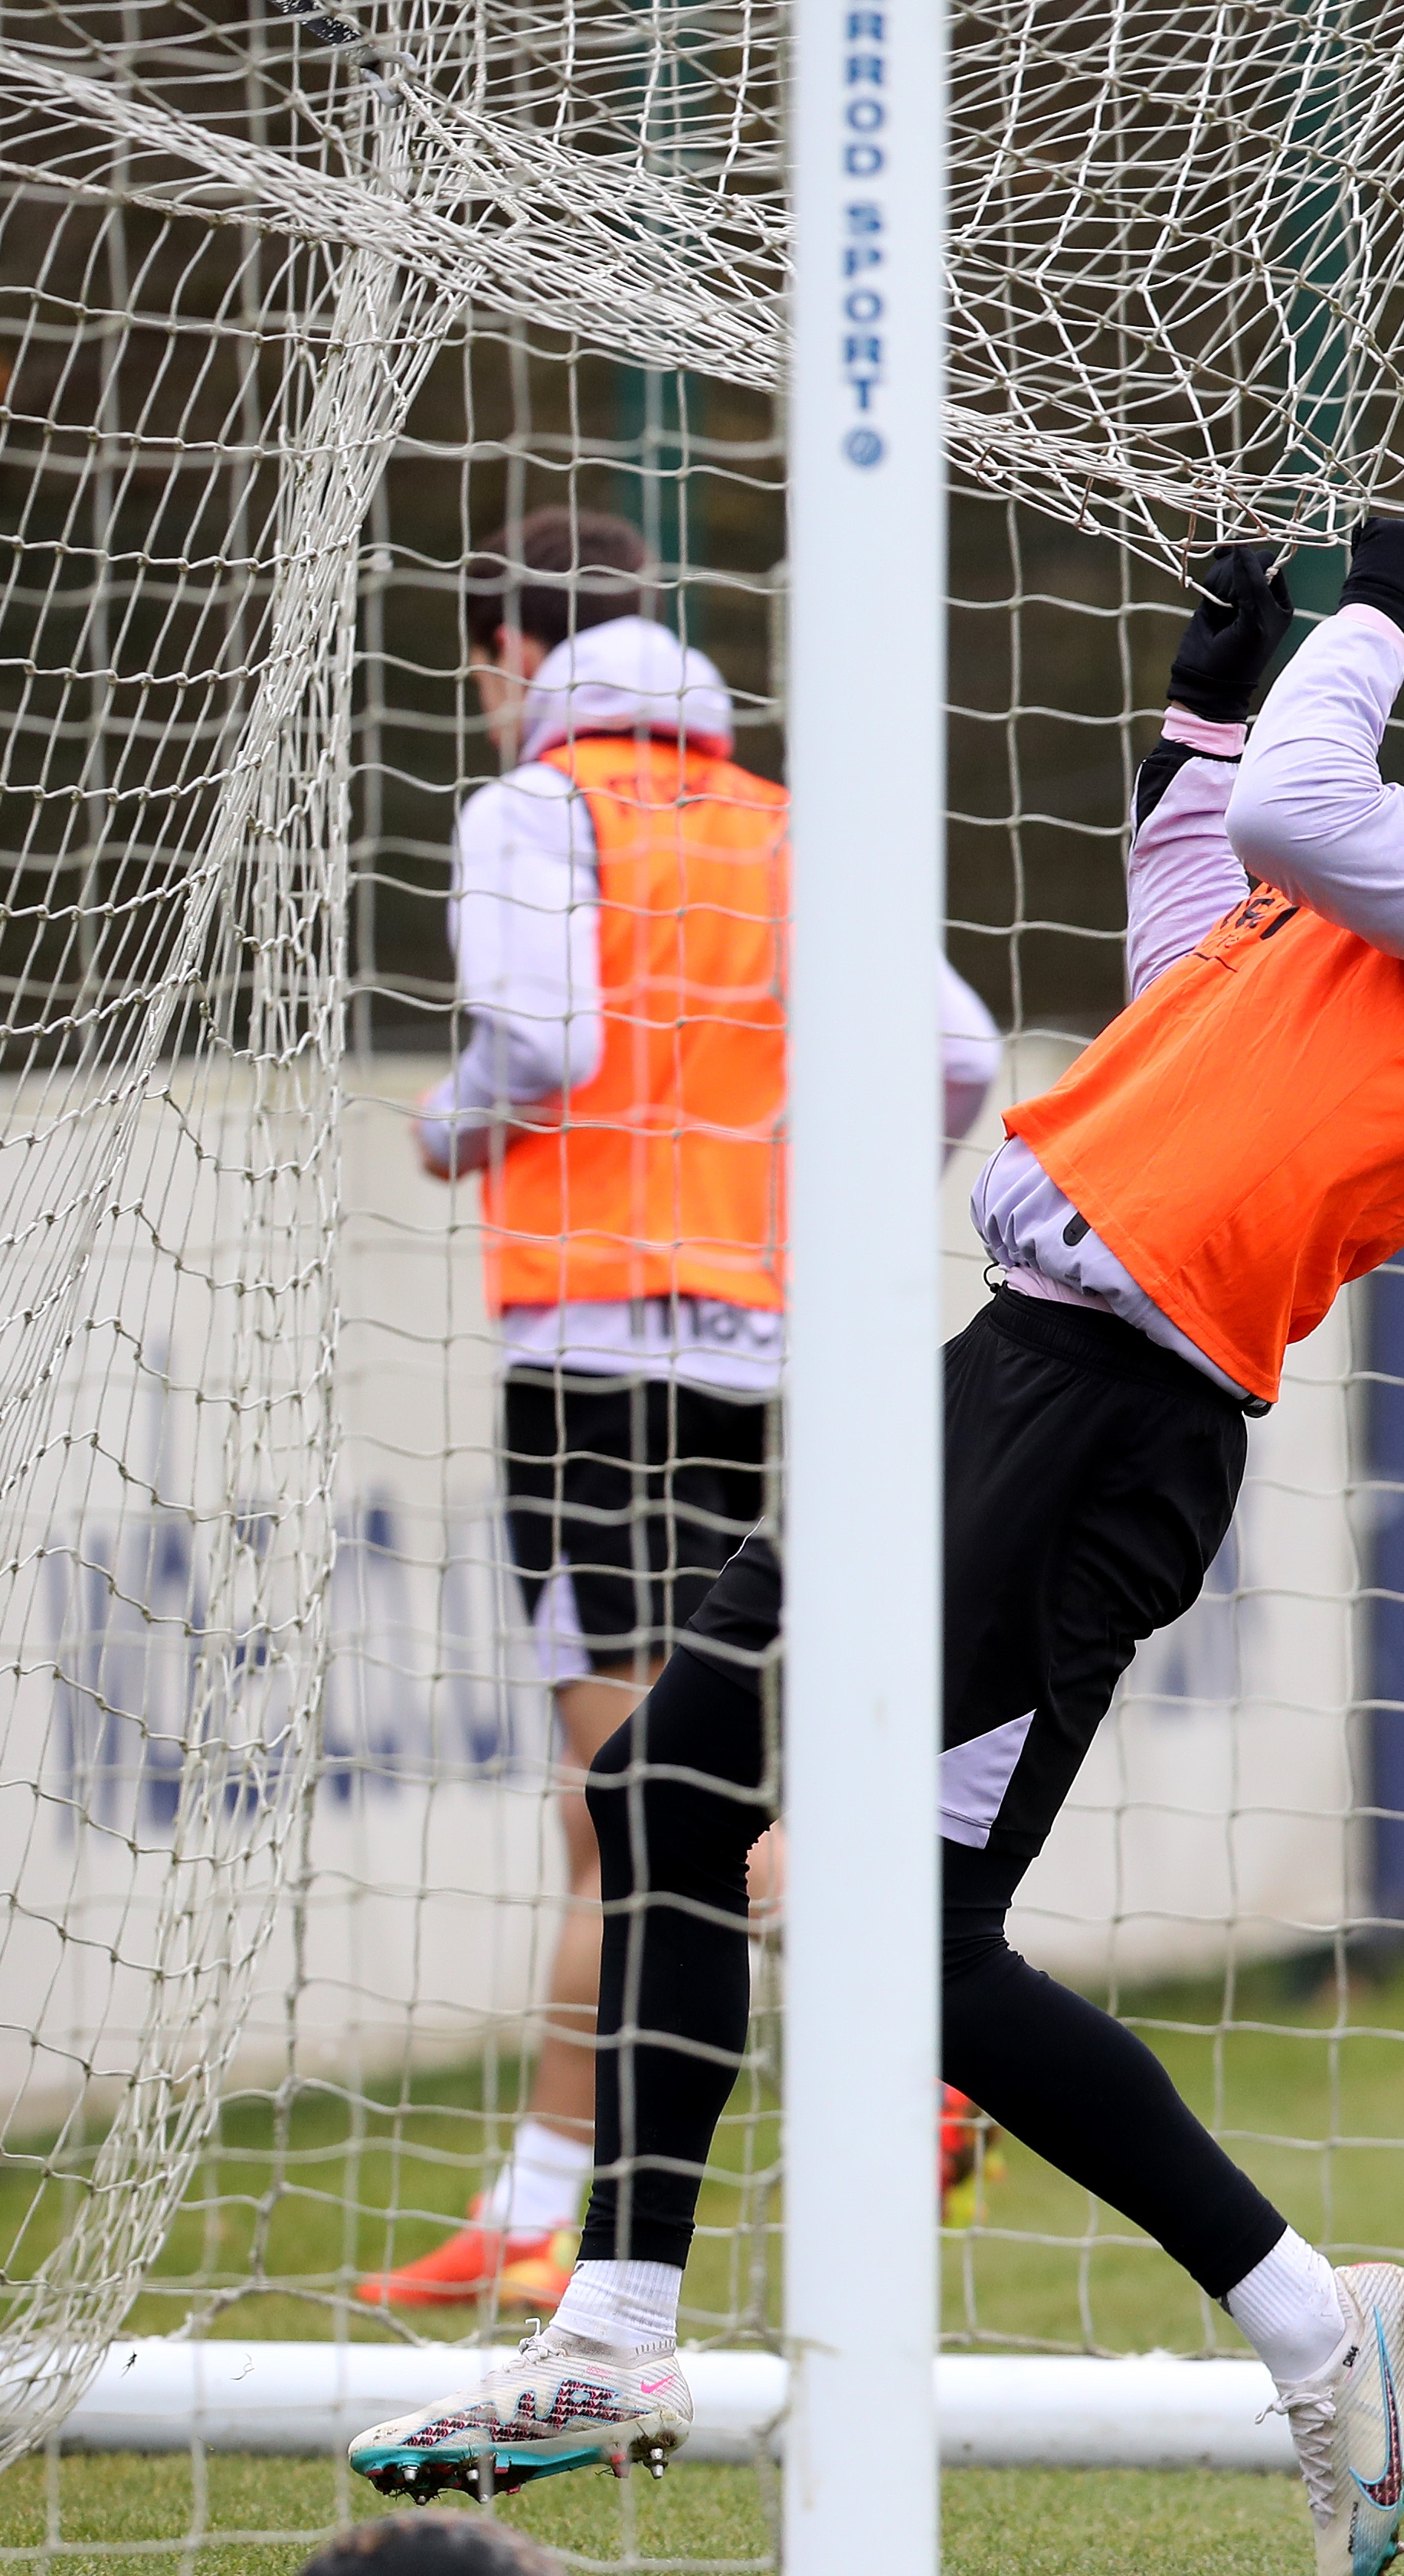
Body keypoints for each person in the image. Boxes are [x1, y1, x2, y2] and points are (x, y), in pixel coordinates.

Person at [348, 502, 1404, 2576]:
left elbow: (1304, 812)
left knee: (847, 1909)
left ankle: (1283, 2319)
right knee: (684, 1799)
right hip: (1008, 1373)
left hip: (1110, 1427)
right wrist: (1197, 726)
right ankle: (625, 2337)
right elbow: (1202, 940)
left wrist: (1356, 620)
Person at [357, 506, 1007, 2318]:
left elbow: (545, 1036)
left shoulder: (532, 808)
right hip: (743, 1354)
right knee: (632, 1807)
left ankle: (902, 2051)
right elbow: (955, 1052)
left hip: (584, 1353)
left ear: (508, 657)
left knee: (635, 1791)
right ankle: (547, 2194)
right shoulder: (780, 825)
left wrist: (453, 1123)